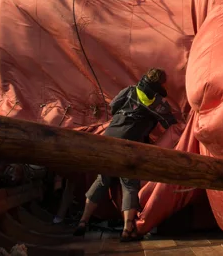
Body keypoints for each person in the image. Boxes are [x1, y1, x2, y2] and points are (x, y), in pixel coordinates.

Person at [73, 68, 177, 241]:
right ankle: (127, 230)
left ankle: (82, 222)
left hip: (109, 139)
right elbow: (170, 125)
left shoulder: (130, 90)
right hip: (130, 145)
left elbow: (113, 106)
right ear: (161, 84)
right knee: (129, 185)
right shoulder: (159, 103)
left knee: (102, 180)